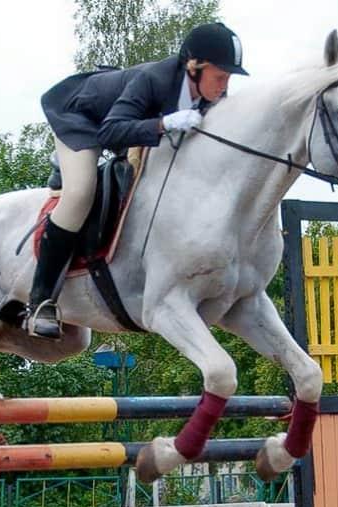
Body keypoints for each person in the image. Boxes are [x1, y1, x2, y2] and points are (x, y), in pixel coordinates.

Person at [27, 22, 249, 339]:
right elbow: (110, 131)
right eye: (220, 76)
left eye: (229, 78)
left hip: (122, 126)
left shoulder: (207, 95)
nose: (224, 86)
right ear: (194, 66)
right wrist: (164, 124)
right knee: (79, 194)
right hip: (80, 119)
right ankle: (41, 302)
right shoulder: (153, 79)